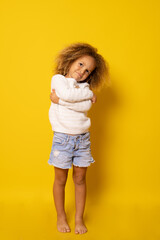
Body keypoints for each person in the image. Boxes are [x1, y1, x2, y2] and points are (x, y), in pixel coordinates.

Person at [48, 42, 110, 234]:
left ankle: (79, 219)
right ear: (70, 60)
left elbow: (85, 107)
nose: (83, 71)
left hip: (82, 139)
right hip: (62, 139)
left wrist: (61, 101)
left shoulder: (86, 88)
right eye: (81, 64)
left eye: (88, 70)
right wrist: (81, 97)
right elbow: (68, 94)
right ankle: (60, 216)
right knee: (60, 179)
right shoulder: (58, 80)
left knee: (81, 178)